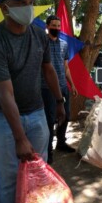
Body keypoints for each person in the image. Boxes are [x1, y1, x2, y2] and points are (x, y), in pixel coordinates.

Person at [0, 0, 65, 203]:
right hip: (2, 118)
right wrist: (19, 138)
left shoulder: (40, 35)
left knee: (38, 175)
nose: (27, 8)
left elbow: (48, 70)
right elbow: (5, 93)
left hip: (36, 112)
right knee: (9, 182)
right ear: (4, 8)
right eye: (20, 4)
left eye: (30, 3)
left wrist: (59, 101)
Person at [42, 15, 78, 164]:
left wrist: (72, 84)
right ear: (47, 26)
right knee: (50, 119)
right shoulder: (42, 43)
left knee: (66, 115)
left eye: (58, 26)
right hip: (47, 87)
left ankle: (61, 143)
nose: (56, 28)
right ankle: (48, 150)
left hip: (63, 86)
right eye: (53, 25)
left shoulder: (64, 44)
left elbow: (66, 67)